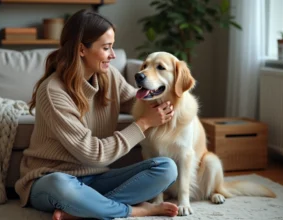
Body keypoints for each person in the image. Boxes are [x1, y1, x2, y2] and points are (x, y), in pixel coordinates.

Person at [15, 9, 178, 220]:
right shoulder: (53, 91)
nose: (113, 55)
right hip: (49, 180)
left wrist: (166, 96)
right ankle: (130, 210)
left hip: (96, 178)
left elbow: (134, 102)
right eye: (106, 48)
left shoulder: (107, 75)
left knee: (166, 168)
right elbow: (92, 153)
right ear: (82, 49)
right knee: (61, 185)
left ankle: (82, 210)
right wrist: (144, 123)